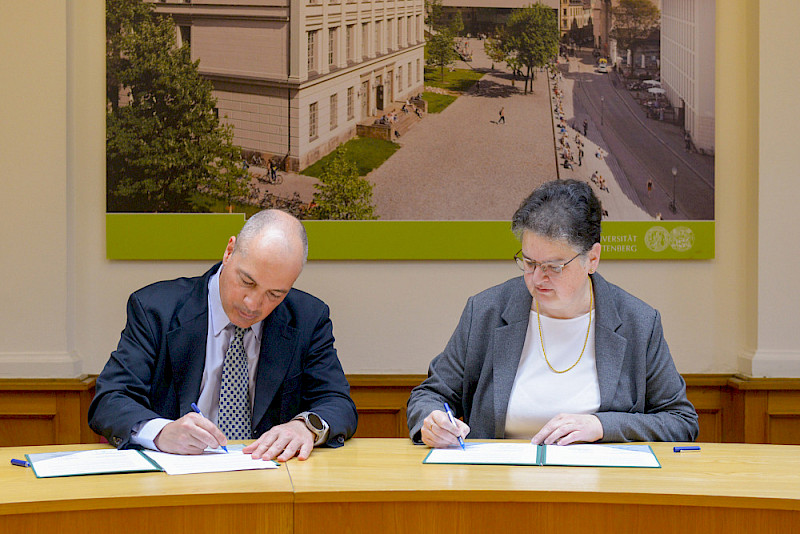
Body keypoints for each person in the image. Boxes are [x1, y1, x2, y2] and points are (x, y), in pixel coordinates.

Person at [407, 179, 698, 448]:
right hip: (498, 479)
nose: (537, 279)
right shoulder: (486, 312)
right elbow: (429, 396)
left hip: (600, 482)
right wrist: (432, 422)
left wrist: (601, 425)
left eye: (554, 267)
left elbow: (681, 421)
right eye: (529, 263)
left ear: (592, 259)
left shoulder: (639, 322)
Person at [89, 210, 358, 462]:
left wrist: (305, 427)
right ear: (229, 251)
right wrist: (161, 432)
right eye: (247, 282)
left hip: (268, 474)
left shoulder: (308, 318)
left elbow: (338, 403)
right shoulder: (156, 309)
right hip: (176, 477)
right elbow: (110, 399)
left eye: (274, 294)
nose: (253, 304)